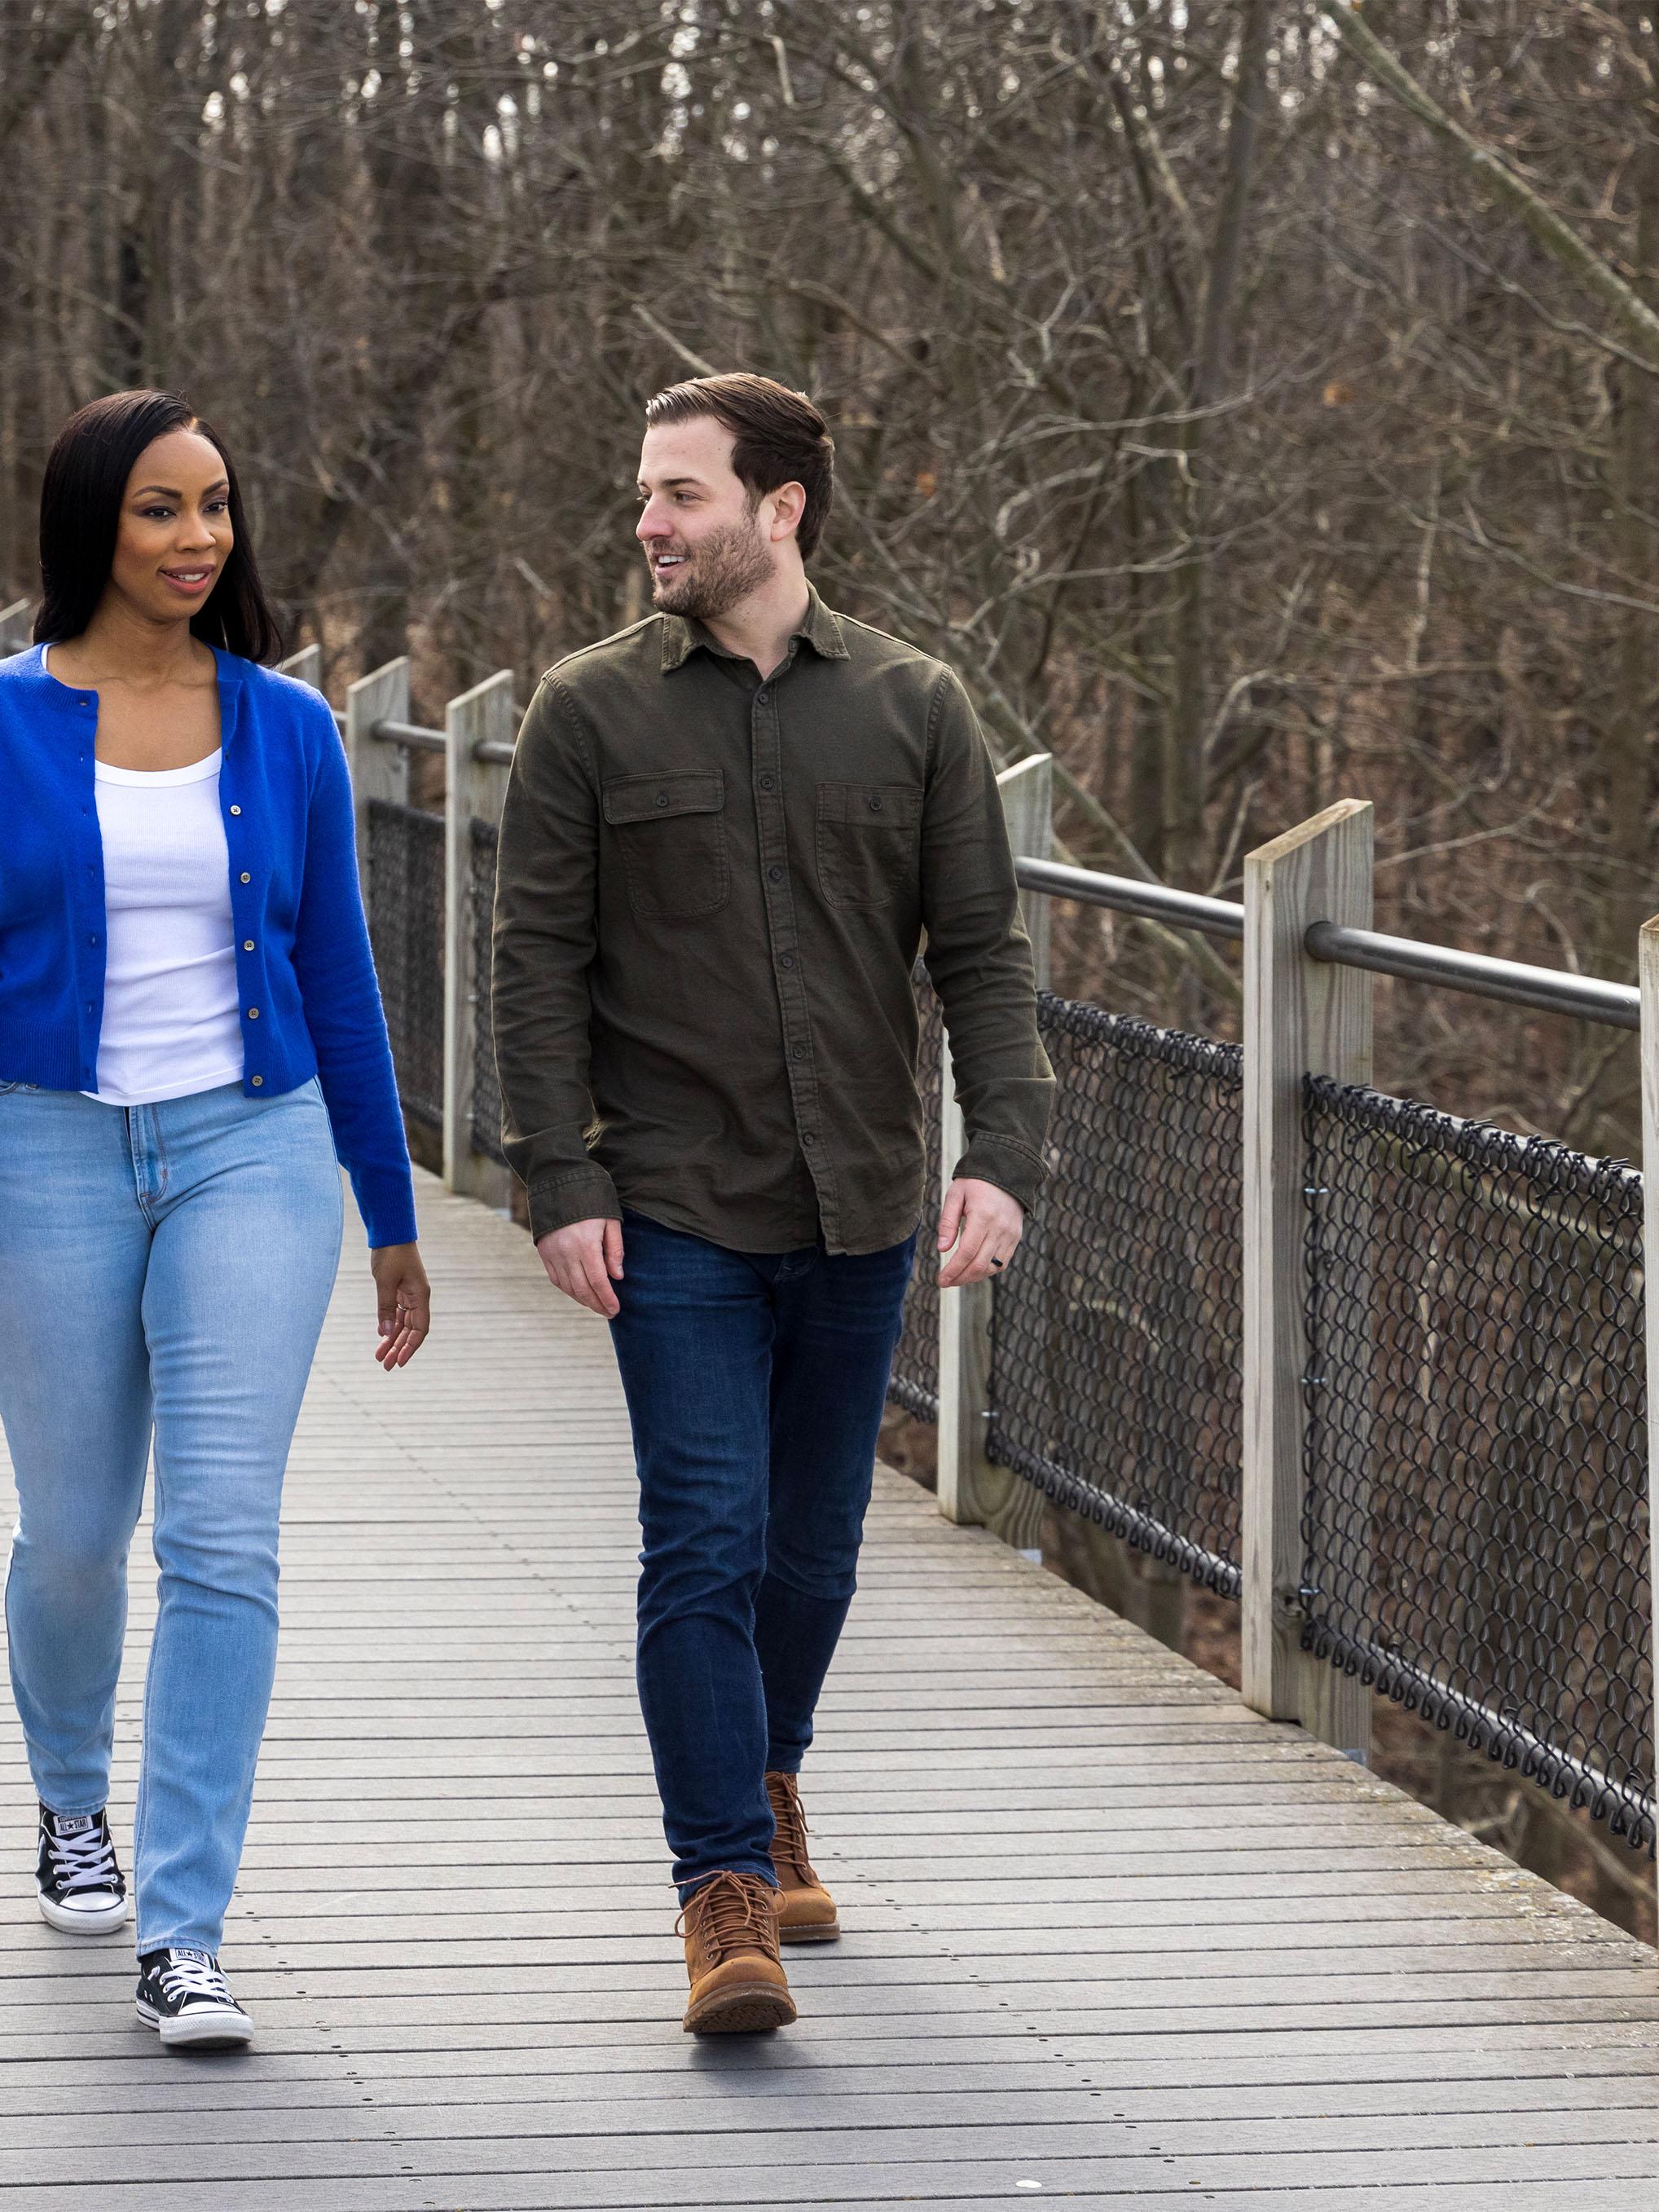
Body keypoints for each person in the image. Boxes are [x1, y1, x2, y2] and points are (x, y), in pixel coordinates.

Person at [0, 390, 430, 2051]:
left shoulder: (287, 727)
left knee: (224, 1539)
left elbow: (338, 975)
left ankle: (185, 1928)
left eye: (218, 508)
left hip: (251, 1155)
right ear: (92, 526)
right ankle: (67, 1793)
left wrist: (389, 1207)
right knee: (76, 1533)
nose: (199, 540)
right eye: (162, 511)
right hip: (39, 1157)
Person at [491, 373, 1054, 2036]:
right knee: (707, 1541)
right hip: (672, 1206)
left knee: (813, 1552)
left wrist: (1001, 1151)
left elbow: (981, 955)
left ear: (780, 508)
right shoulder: (589, 714)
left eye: (680, 494)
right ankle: (721, 1885)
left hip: (864, 1203)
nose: (650, 524)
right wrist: (561, 1175)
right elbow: (534, 963)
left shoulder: (914, 708)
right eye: (645, 496)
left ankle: (772, 1767)